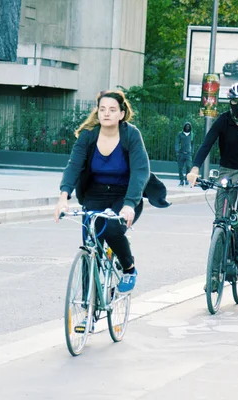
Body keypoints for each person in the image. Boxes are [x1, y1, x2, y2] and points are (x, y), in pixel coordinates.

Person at [54, 90, 169, 295]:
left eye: (112, 110)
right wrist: (63, 198)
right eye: (102, 109)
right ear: (97, 112)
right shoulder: (88, 136)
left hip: (124, 195)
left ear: (121, 114)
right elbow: (73, 166)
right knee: (91, 244)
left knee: (112, 230)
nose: (106, 114)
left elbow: (140, 171)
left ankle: (128, 268)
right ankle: (88, 304)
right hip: (95, 194)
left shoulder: (130, 135)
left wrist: (129, 204)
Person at [186, 82, 238, 289]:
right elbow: (207, 143)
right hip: (228, 171)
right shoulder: (223, 120)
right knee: (220, 221)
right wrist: (195, 169)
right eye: (234, 101)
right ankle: (214, 278)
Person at [175, 122, 193, 186]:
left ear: (190, 127)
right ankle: (181, 180)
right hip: (181, 153)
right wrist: (177, 150)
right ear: (184, 127)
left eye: (188, 126)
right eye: (186, 126)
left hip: (188, 154)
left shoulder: (192, 135)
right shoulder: (180, 134)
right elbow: (177, 142)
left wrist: (192, 152)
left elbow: (192, 144)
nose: (187, 127)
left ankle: (187, 179)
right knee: (180, 168)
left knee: (188, 166)